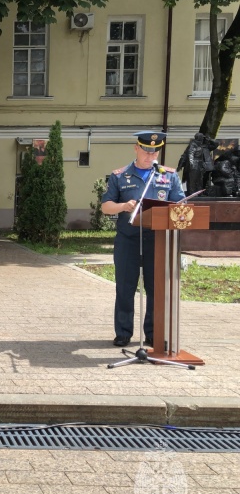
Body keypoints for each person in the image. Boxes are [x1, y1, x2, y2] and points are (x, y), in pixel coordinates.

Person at [101, 131, 185, 347]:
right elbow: (105, 207)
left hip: (157, 241)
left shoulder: (168, 176)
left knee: (156, 288)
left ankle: (153, 333)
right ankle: (123, 332)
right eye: (147, 152)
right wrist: (123, 206)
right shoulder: (120, 175)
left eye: (155, 152)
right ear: (136, 149)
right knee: (125, 287)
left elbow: (180, 206)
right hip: (128, 240)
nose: (151, 156)